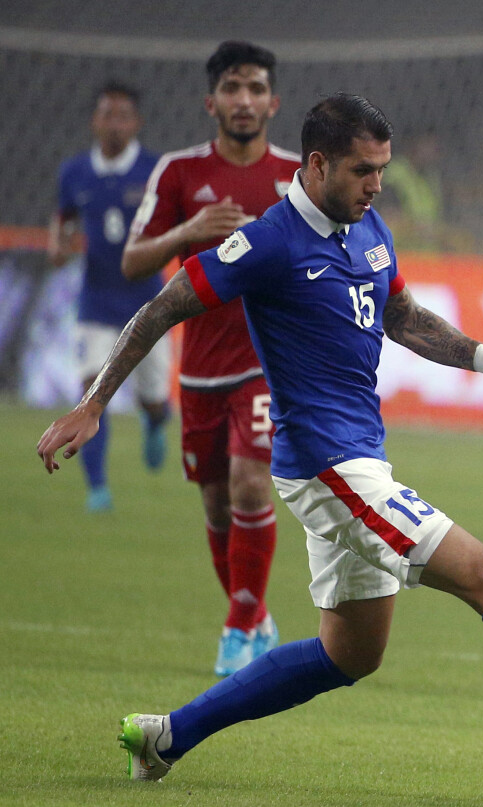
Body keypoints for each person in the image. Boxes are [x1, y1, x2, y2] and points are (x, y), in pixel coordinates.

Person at [38, 92, 483, 784]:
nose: (377, 185)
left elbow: (403, 316)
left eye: (382, 169)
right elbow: (162, 306)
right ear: (316, 164)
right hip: (327, 466)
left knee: (350, 654)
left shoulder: (367, 228)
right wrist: (93, 402)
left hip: (359, 455)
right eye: (362, 170)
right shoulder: (268, 241)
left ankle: (166, 736)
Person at [122, 41, 301, 676]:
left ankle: (235, 630)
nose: (244, 100)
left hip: (266, 362)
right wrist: (186, 233)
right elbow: (133, 260)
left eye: (256, 88)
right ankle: (254, 616)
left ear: (273, 102)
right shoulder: (177, 173)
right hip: (198, 365)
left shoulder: (298, 178)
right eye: (232, 88)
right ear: (212, 101)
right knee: (217, 504)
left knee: (253, 481)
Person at [48, 81, 168, 513]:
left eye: (122, 115)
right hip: (96, 301)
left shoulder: (154, 170)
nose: (114, 124)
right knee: (89, 390)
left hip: (149, 302)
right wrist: (58, 244)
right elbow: (63, 218)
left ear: (135, 123)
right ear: (94, 121)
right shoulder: (75, 172)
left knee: (153, 398)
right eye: (106, 114)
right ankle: (97, 488)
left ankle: (155, 420)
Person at [379, 128, 471, 253]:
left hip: (428, 260)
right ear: (412, 145)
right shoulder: (395, 175)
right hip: (403, 258)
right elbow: (391, 220)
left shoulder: (431, 177)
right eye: (428, 144)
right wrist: (441, 235)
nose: (434, 149)